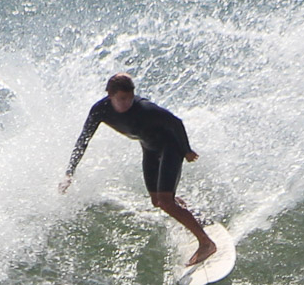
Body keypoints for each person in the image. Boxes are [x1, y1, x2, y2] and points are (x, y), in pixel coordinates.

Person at [61, 72, 217, 266]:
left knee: (166, 202)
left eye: (130, 97)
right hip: (149, 149)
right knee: (157, 201)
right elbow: (83, 140)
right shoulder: (100, 111)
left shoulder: (145, 108)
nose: (128, 102)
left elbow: (176, 122)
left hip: (171, 147)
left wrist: (186, 150)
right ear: (110, 96)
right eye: (122, 99)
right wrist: (69, 172)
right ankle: (188, 212)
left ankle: (206, 243)